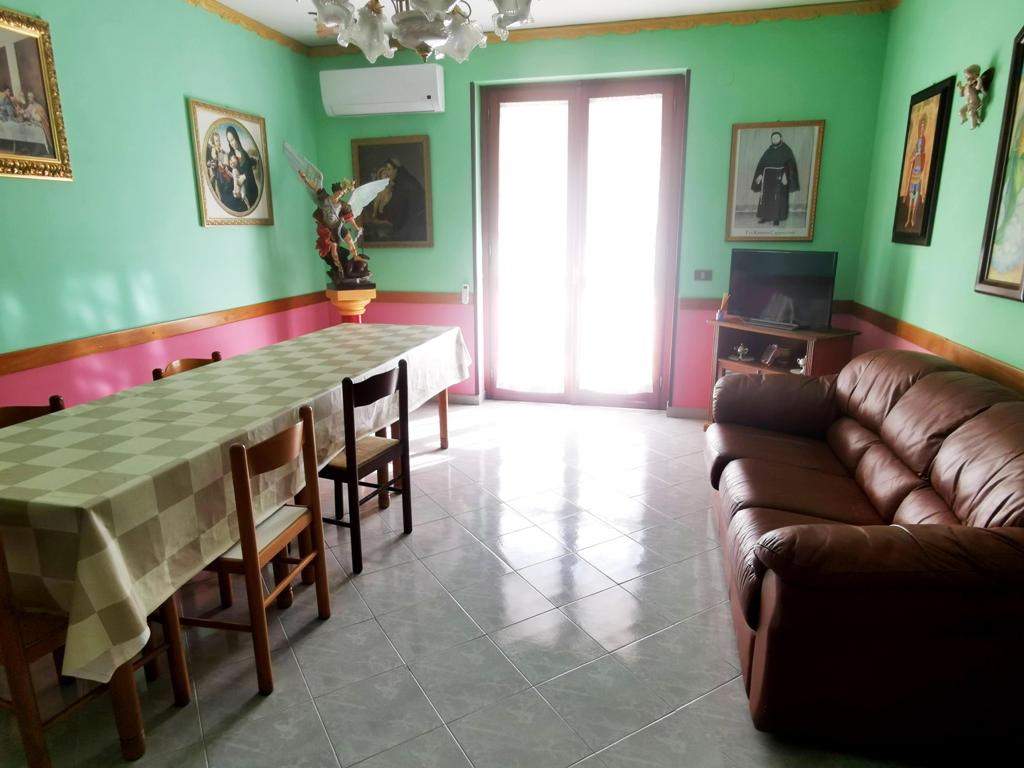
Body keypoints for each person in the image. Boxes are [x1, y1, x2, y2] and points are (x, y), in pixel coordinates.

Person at [751, 131, 800, 226]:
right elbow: (762, 164)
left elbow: (790, 165)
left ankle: (776, 218)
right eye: (773, 138)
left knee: (778, 198)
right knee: (766, 197)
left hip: (780, 177)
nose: (774, 139)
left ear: (781, 138)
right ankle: (765, 216)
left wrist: (786, 175)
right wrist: (760, 175)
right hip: (767, 178)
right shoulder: (768, 151)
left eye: (776, 138)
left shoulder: (786, 150)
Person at [371, 157, 426, 241]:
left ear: (396, 170)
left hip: (410, 229)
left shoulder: (405, 185)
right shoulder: (397, 184)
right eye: (386, 170)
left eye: (389, 169)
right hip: (403, 227)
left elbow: (401, 213)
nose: (387, 173)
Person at [225, 125, 260, 210]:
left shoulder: (244, 153)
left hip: (251, 191)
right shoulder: (231, 155)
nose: (232, 143)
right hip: (239, 194)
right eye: (229, 141)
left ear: (236, 137)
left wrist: (244, 176)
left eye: (233, 139)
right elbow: (231, 174)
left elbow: (250, 170)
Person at [903, 116, 928, 229]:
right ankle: (908, 218)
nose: (922, 128)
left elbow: (922, 155)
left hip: (919, 170)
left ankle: (912, 218)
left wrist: (919, 156)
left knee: (916, 195)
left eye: (923, 127)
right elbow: (912, 157)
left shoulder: (924, 141)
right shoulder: (918, 141)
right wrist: (914, 157)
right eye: (921, 126)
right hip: (914, 170)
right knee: (911, 196)